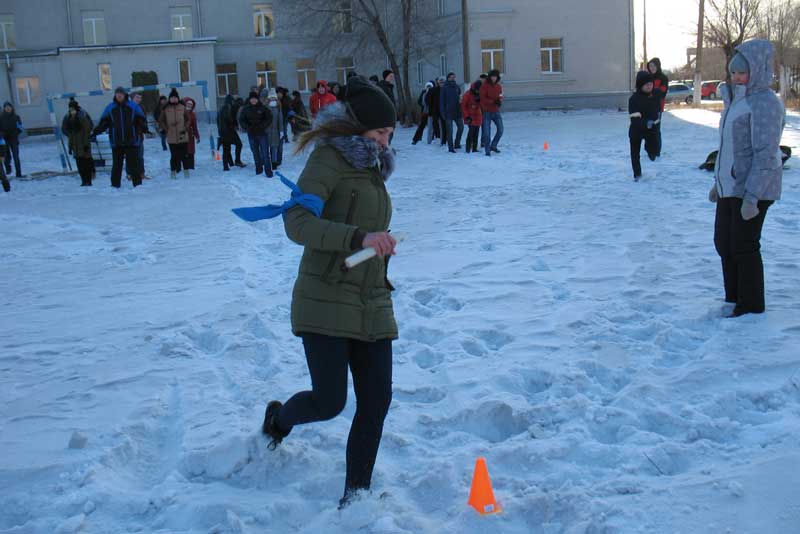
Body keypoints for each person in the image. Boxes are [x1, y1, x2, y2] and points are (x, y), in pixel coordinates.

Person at [260, 75, 398, 509]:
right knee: (329, 401)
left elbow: (366, 226)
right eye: (379, 132)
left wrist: (381, 243)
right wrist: (358, 238)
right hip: (324, 296)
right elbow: (296, 224)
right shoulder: (328, 160)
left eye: (390, 134)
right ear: (357, 127)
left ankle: (355, 497)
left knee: (377, 400)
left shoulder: (373, 167)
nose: (385, 141)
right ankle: (279, 420)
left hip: (370, 298)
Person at [710, 40, 785, 317]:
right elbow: (731, 148)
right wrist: (719, 184)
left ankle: (751, 306)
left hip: (755, 190)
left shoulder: (764, 103)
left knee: (743, 245)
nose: (737, 77)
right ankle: (734, 298)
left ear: (758, 70)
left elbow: (765, 155)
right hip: (732, 186)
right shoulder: (734, 101)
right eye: (734, 72)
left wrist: (752, 196)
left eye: (743, 72)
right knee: (724, 242)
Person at [92, 87, 147, 188]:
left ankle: (138, 185)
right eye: (117, 94)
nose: (119, 96)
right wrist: (96, 131)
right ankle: (115, 185)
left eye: (121, 94)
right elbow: (104, 122)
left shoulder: (133, 106)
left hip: (132, 141)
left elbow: (142, 119)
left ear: (125, 95)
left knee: (134, 164)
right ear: (115, 95)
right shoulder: (110, 107)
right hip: (116, 142)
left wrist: (144, 128)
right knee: (117, 165)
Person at [628, 71, 660, 181]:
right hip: (637, 129)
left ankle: (649, 149)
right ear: (640, 85)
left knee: (654, 151)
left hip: (651, 129)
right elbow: (634, 120)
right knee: (635, 153)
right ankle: (637, 175)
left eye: (650, 83)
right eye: (646, 84)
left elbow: (657, 110)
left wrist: (655, 121)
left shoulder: (655, 95)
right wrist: (646, 123)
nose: (649, 86)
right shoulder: (634, 99)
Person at [157, 88, 191, 179]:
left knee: (184, 155)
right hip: (171, 136)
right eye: (172, 98)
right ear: (169, 99)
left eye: (175, 98)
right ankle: (173, 172)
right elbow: (161, 120)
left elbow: (188, 119)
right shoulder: (166, 108)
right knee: (174, 156)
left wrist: (186, 127)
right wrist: (166, 129)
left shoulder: (182, 107)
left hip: (182, 134)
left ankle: (186, 171)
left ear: (178, 98)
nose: (173, 99)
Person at [239, 90, 273, 177]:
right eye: (252, 99)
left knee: (265, 153)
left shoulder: (263, 108)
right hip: (251, 134)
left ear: (258, 99)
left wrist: (262, 126)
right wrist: (247, 127)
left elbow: (269, 118)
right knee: (255, 153)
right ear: (250, 100)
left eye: (255, 99)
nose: (253, 100)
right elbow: (241, 120)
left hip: (262, 134)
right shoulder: (245, 109)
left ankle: (268, 171)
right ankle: (258, 169)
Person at [61, 99, 95, 186]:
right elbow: (66, 131)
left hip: (84, 144)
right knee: (80, 165)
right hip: (76, 145)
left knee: (86, 163)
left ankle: (89, 180)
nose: (71, 111)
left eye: (73, 109)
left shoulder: (83, 116)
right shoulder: (68, 118)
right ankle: (83, 181)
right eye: (70, 109)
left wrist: (86, 144)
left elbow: (88, 129)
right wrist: (70, 146)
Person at [126, 92, 150, 182]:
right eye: (137, 97)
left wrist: (145, 130)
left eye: (140, 98)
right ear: (132, 98)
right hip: (129, 136)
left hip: (139, 136)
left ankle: (141, 173)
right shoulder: (127, 108)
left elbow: (144, 121)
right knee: (130, 156)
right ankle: (129, 174)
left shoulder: (142, 108)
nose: (139, 99)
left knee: (140, 155)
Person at [647, 58, 669, 157]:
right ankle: (649, 149)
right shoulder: (647, 77)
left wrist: (652, 92)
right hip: (646, 106)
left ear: (657, 66)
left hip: (657, 107)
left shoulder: (663, 78)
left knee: (656, 129)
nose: (651, 68)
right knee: (647, 128)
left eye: (653, 66)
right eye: (650, 66)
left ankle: (657, 150)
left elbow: (662, 92)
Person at [480, 69, 504, 156]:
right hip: (486, 112)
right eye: (492, 76)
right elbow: (483, 99)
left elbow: (500, 95)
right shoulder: (484, 86)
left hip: (496, 111)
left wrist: (500, 101)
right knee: (486, 132)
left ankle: (493, 145)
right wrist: (493, 101)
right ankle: (487, 150)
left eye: (495, 77)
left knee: (501, 129)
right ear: (490, 77)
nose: (494, 78)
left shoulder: (498, 86)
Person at [440, 72, 463, 153]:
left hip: (457, 111)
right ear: (448, 78)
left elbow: (460, 96)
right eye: (451, 77)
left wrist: (461, 103)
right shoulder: (444, 88)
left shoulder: (457, 87)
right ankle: (450, 147)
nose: (453, 78)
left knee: (461, 127)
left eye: (454, 77)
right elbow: (442, 102)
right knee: (450, 131)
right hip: (448, 112)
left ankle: (457, 143)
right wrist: (443, 113)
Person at [218, 95, 242, 171]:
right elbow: (228, 119)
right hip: (228, 131)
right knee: (238, 144)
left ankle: (228, 165)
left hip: (222, 132)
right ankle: (236, 161)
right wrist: (234, 125)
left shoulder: (222, 108)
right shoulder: (227, 108)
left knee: (226, 148)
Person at [0, 102, 24, 178]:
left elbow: (20, 128)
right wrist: (2, 134)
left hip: (13, 139)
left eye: (9, 107)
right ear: (4, 108)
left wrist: (15, 133)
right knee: (6, 155)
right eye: (6, 107)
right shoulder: (1, 118)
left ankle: (18, 173)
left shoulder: (16, 117)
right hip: (4, 139)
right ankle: (8, 168)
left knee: (16, 156)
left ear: (12, 108)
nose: (8, 108)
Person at [461, 80, 482, 153]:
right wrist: (467, 116)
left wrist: (479, 102)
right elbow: (463, 106)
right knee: (471, 133)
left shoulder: (480, 93)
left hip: (478, 116)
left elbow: (481, 105)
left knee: (476, 133)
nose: (478, 91)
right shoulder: (467, 94)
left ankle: (474, 148)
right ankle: (468, 148)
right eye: (477, 90)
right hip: (470, 116)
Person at [266, 88, 285, 169]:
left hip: (275, 131)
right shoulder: (266, 107)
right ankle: (267, 161)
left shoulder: (278, 107)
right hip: (266, 131)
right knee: (267, 147)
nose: (272, 99)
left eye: (274, 97)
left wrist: (281, 130)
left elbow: (280, 119)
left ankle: (274, 163)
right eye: (271, 97)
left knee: (274, 147)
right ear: (269, 98)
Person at [182, 97, 201, 172]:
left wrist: (197, 136)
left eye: (191, 104)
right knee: (184, 151)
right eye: (188, 104)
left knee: (191, 151)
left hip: (190, 135)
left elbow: (194, 126)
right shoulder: (180, 112)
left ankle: (191, 167)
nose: (189, 106)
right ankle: (185, 167)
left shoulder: (192, 114)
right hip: (182, 134)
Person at [429, 77, 446, 145]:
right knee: (435, 124)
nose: (442, 84)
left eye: (443, 82)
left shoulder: (446, 89)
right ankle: (437, 137)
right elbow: (428, 99)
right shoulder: (433, 90)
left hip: (444, 110)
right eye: (440, 82)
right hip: (435, 110)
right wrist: (432, 106)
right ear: (438, 83)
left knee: (444, 125)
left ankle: (444, 140)